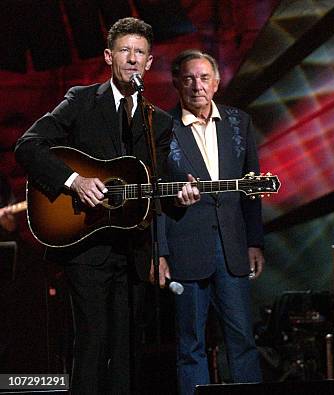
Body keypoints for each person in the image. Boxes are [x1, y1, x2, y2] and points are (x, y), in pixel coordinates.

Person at [14, 17, 199, 394]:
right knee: (94, 341)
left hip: (133, 252)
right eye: (124, 50)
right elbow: (28, 146)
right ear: (108, 56)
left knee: (128, 349)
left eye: (140, 53)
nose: (132, 59)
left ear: (149, 63)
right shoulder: (81, 101)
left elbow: (156, 190)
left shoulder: (158, 122)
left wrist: (182, 199)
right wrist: (75, 180)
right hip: (85, 243)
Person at [151, 49, 265, 394]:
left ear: (216, 83)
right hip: (185, 249)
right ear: (176, 84)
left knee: (242, 339)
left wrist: (254, 241)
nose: (196, 85)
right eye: (188, 78)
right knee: (190, 345)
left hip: (232, 249)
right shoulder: (162, 128)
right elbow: (154, 196)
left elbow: (252, 186)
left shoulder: (238, 122)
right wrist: (160, 252)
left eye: (203, 78)